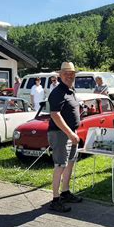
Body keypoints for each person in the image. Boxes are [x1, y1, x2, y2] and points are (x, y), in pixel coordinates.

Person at [47, 61, 83, 212]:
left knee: (70, 163)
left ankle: (65, 192)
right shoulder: (57, 92)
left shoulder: (70, 90)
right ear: (60, 75)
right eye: (66, 74)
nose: (69, 76)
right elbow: (55, 115)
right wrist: (70, 133)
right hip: (60, 134)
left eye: (72, 74)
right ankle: (55, 200)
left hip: (70, 133)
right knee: (60, 165)